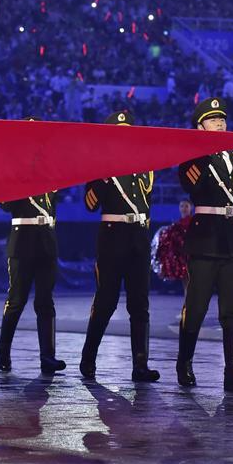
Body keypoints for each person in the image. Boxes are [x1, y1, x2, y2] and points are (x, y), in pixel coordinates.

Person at [176, 98, 233, 392]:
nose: (220, 123)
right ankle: (184, 363)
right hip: (205, 238)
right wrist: (203, 150)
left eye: (221, 119)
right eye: (212, 120)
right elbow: (191, 186)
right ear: (200, 126)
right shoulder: (193, 159)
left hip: (232, 237)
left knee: (232, 309)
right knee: (196, 306)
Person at [80, 110, 159, 382]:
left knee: (140, 303)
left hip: (138, 234)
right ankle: (88, 358)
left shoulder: (144, 162)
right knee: (106, 301)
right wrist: (104, 174)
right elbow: (89, 205)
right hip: (112, 236)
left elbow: (146, 199)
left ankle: (140, 365)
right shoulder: (98, 164)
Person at [0, 118, 66, 374]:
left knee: (46, 301)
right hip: (23, 238)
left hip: (46, 239)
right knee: (16, 300)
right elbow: (5, 204)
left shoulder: (50, 169)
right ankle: (3, 351)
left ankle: (48, 357)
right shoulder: (13, 169)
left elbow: (53, 205)